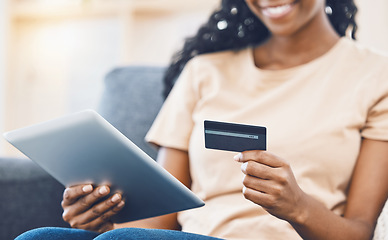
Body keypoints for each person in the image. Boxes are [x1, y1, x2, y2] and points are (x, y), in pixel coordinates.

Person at [16, 0, 388, 239]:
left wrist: (298, 207)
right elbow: (162, 221)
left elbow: (360, 231)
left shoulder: (375, 76)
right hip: (193, 237)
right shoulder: (204, 72)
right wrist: (104, 220)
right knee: (41, 238)